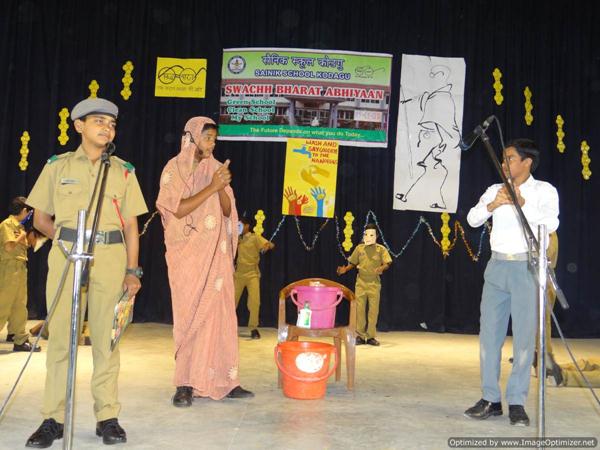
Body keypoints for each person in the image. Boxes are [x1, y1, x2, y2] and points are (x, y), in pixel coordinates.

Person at [25, 97, 148, 447]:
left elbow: (131, 226)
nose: (107, 128)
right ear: (79, 126)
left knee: (106, 341)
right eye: (99, 121)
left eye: (112, 124)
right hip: (67, 257)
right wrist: (66, 240)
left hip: (111, 258)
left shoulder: (123, 171)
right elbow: (40, 218)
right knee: (61, 340)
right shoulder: (57, 166)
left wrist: (132, 270)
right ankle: (53, 419)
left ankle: (107, 417)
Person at [156, 116, 253, 409]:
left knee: (221, 316)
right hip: (188, 257)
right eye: (208, 138)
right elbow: (177, 209)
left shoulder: (216, 168)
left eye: (214, 139)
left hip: (217, 258)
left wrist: (221, 186)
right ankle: (185, 384)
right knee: (189, 318)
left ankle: (225, 380)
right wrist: (212, 186)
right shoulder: (174, 169)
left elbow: (227, 211)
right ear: (192, 137)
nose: (212, 144)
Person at [464, 138, 559, 427]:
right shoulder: (495, 189)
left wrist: (523, 205)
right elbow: (472, 219)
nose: (504, 164)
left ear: (527, 162)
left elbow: (551, 224)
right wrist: (494, 203)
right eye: (503, 159)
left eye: (510, 158)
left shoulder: (543, 191)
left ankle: (517, 402)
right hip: (496, 267)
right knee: (489, 337)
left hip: (526, 267)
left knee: (523, 339)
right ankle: (490, 399)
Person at [336, 224, 392, 346]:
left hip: (374, 283)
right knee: (360, 310)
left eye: (372, 235)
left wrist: (382, 267)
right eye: (366, 234)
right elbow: (353, 262)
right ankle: (360, 336)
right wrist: (345, 269)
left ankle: (371, 336)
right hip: (360, 283)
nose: (368, 237)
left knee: (373, 311)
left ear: (376, 236)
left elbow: (387, 263)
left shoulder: (381, 249)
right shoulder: (359, 248)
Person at [0, 197, 40, 352]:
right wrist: (21, 237)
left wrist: (26, 238)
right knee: (3, 304)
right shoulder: (7, 224)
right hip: (9, 268)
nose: (28, 215)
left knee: (20, 305)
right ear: (23, 211)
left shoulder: (19, 227)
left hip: (20, 267)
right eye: (28, 212)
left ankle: (19, 338)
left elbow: (27, 245)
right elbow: (9, 247)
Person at [234, 216, 275, 339]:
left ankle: (253, 328)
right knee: (231, 301)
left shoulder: (255, 238)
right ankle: (227, 326)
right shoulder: (236, 238)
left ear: (247, 226)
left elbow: (270, 244)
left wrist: (267, 246)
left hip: (252, 274)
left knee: (254, 302)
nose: (238, 227)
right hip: (238, 274)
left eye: (240, 225)